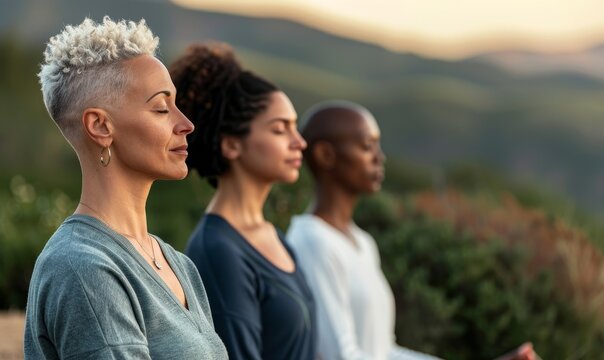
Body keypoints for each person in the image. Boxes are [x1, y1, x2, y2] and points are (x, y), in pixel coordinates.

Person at [24, 17, 227, 359]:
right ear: (100, 125)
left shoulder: (178, 264)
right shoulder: (84, 269)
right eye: (162, 108)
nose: (186, 124)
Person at [287, 100, 538, 360]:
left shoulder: (362, 243)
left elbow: (384, 352)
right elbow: (339, 357)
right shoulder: (313, 242)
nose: (379, 157)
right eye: (366, 147)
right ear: (325, 155)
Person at [170, 43, 316, 360]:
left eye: (296, 127)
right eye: (280, 129)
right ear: (232, 145)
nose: (299, 142)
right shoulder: (218, 250)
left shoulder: (273, 235)